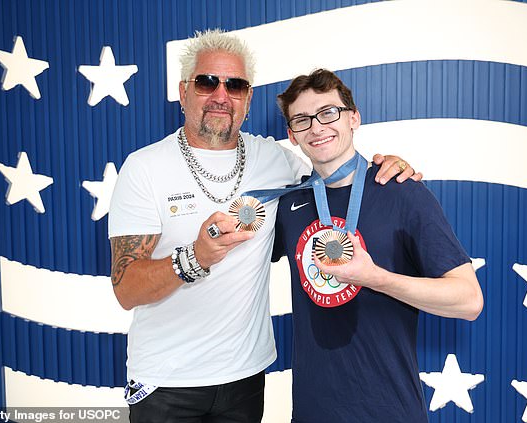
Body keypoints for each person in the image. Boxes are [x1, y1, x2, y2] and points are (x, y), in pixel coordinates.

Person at [108, 29, 420, 423]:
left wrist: (390, 165)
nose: (221, 95)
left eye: (235, 85)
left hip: (245, 377)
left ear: (248, 98)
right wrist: (195, 257)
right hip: (166, 382)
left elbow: (338, 174)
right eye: (207, 82)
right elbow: (126, 289)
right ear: (184, 91)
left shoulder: (278, 160)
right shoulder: (145, 168)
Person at [273, 69, 484, 422]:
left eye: (329, 113)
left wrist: (376, 277)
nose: (317, 127)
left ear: (354, 118)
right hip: (312, 412)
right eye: (302, 120)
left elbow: (469, 300)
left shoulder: (402, 190)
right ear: (292, 135)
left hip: (389, 410)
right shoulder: (290, 206)